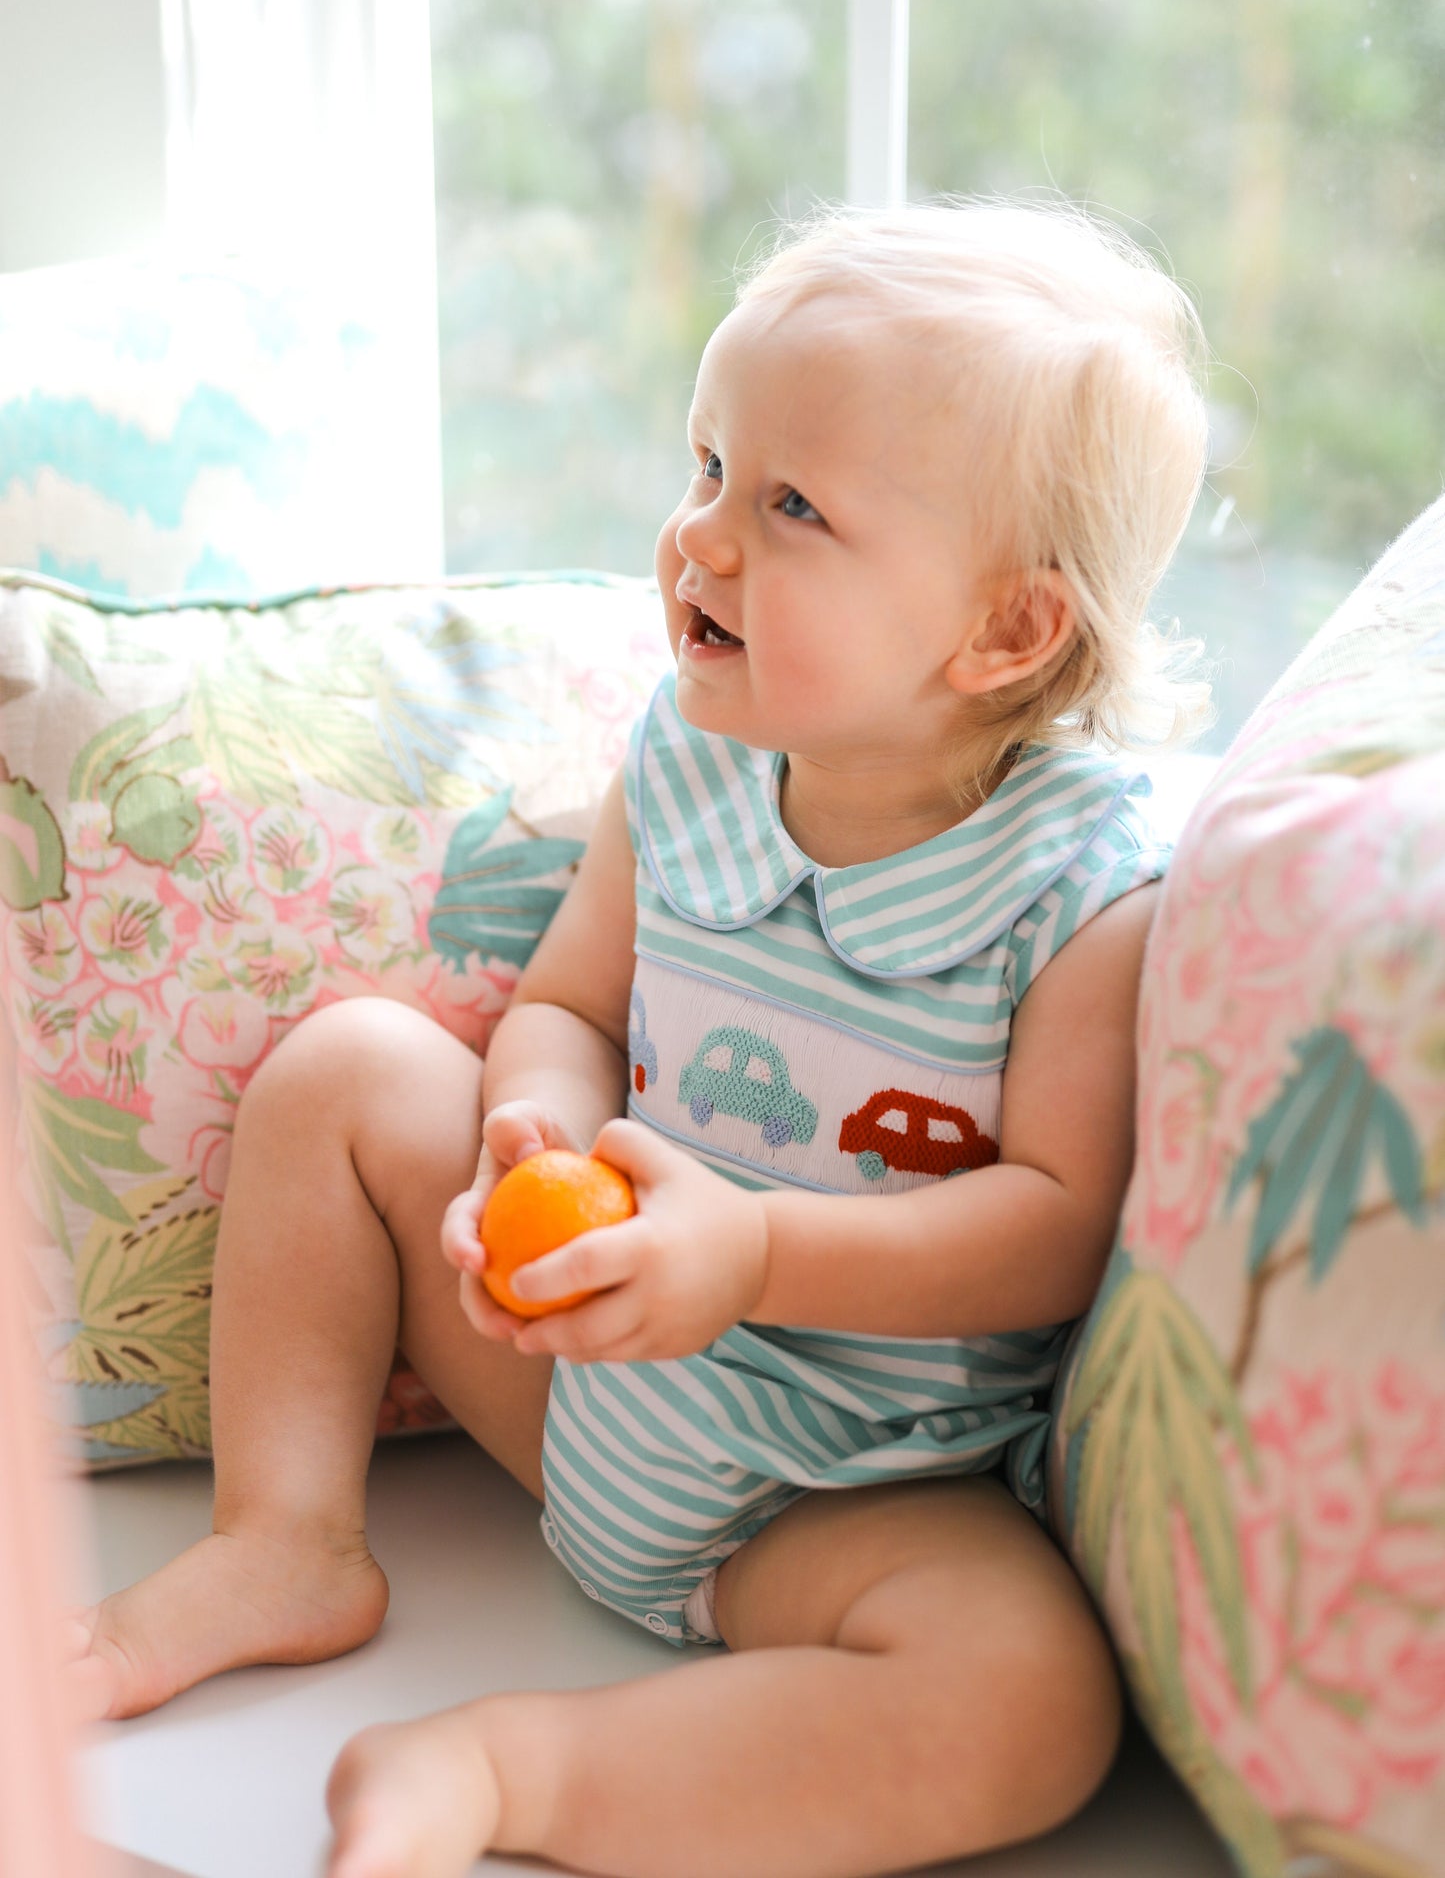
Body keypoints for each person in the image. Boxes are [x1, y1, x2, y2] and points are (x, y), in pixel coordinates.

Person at [67, 200, 1211, 1878]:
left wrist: (744, 1252)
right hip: (569, 1388)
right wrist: (531, 1130)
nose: (701, 539)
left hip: (843, 1485)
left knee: (1027, 1696)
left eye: (792, 506)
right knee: (352, 1067)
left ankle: (513, 1773)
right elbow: (566, 1005)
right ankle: (285, 1536)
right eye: (707, 467)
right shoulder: (683, 763)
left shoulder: (1080, 892)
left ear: (1004, 634)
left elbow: (1046, 1228)